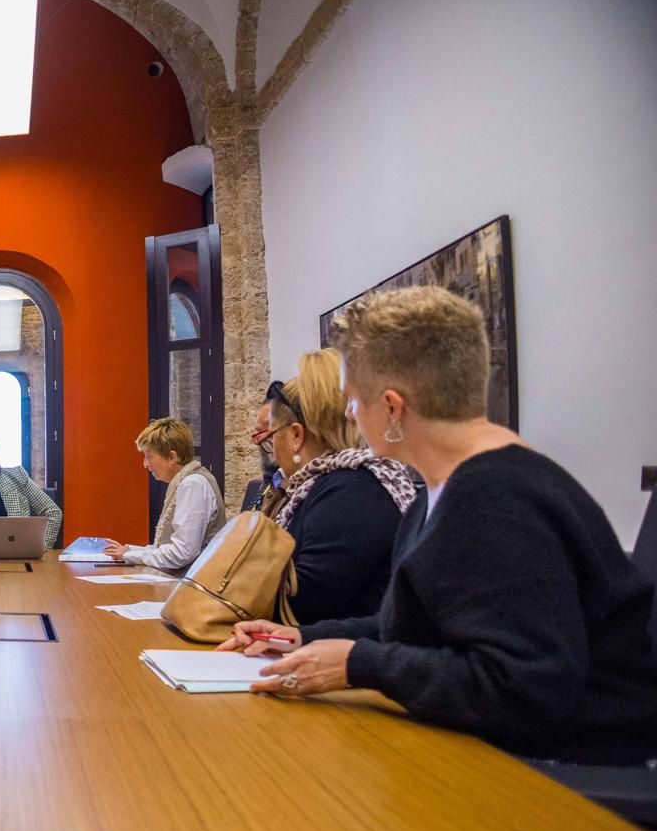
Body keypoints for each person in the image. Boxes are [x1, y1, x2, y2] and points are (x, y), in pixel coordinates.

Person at [222, 286, 657, 765]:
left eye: (351, 401)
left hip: (561, 775)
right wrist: (302, 637)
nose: (348, 414)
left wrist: (357, 664)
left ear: (391, 408)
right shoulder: (436, 494)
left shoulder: (497, 500)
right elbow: (410, 629)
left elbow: (522, 687)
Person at [253, 347, 417, 623]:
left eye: (272, 436)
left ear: (295, 435)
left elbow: (302, 602)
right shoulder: (322, 486)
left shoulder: (353, 490)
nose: (272, 449)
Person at [101, 417, 226, 571]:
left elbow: (182, 553)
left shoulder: (193, 484)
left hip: (191, 584)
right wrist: (130, 551)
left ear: (172, 457)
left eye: (149, 456)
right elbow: (171, 548)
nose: (145, 464)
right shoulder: (185, 481)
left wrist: (129, 555)